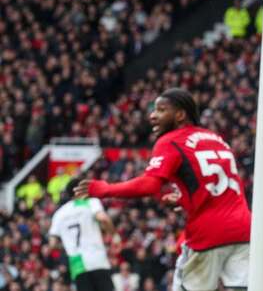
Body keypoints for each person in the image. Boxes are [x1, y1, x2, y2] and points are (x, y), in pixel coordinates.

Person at [75, 88, 251, 291]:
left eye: (160, 110)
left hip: (209, 233)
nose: (152, 116)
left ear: (180, 115)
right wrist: (185, 199)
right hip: (244, 230)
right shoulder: (216, 138)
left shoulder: (171, 140)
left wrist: (104, 189)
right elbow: (219, 186)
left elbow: (150, 184)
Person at [48, 177, 115, 291]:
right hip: (97, 260)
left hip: (77, 264)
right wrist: (113, 234)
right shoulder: (90, 202)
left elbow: (52, 244)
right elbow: (103, 218)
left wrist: (68, 247)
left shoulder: (59, 214)